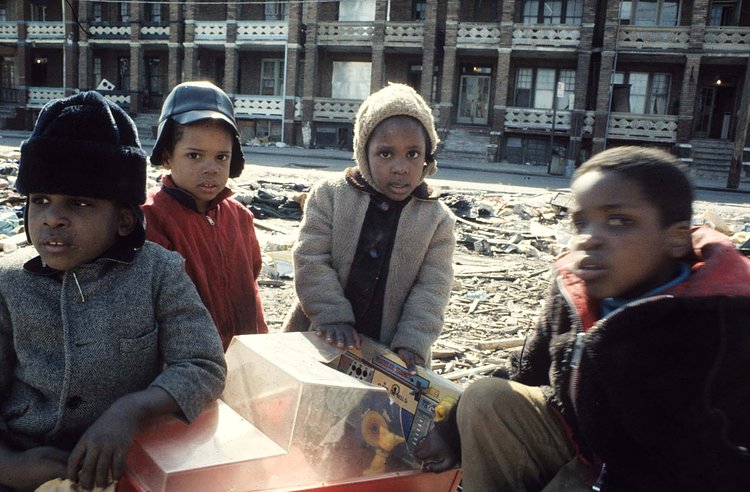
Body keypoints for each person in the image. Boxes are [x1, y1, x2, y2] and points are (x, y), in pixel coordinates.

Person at [415, 146, 750, 491]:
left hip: (662, 478)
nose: (590, 238)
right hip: (587, 452)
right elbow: (527, 368)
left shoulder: (715, 322)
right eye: (580, 222)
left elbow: (721, 464)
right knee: (488, 398)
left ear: (676, 239)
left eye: (619, 221)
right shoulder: (576, 292)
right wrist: (450, 431)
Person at [0, 91, 227, 491]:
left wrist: (132, 411)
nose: (53, 218)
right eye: (40, 201)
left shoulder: (159, 273)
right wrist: (7, 465)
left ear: (124, 220)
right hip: (22, 462)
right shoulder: (9, 282)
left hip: (128, 465)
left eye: (79, 203)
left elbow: (203, 365)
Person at [282, 83, 456, 374]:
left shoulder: (436, 219)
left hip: (391, 350)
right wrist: (331, 315)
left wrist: (412, 342)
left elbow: (432, 289)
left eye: (413, 154)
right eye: (385, 154)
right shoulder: (330, 195)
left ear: (428, 155)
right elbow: (310, 258)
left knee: (376, 416)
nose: (401, 167)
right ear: (364, 152)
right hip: (322, 335)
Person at [142, 81, 268, 350]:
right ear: (166, 156)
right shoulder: (151, 217)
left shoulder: (240, 217)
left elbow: (253, 283)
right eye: (195, 155)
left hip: (247, 356)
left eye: (221, 157)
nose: (210, 168)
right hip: (187, 365)